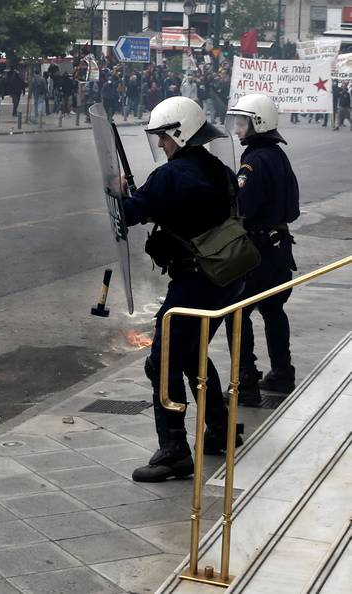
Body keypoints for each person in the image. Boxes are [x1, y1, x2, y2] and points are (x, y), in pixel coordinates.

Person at [122, 97, 244, 483]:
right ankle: (221, 427)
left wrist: (121, 191)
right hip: (226, 274)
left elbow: (129, 213)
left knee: (162, 360)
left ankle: (174, 450)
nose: (161, 145)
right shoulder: (219, 169)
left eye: (163, 137)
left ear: (179, 133)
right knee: (191, 352)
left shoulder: (170, 176)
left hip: (194, 279)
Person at [224, 94, 300, 402]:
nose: (238, 130)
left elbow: (243, 207)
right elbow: (292, 207)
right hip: (279, 249)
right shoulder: (279, 156)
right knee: (273, 310)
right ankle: (282, 372)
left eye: (242, 123)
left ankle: (246, 381)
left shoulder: (254, 161)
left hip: (256, 252)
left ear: (258, 124)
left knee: (236, 313)